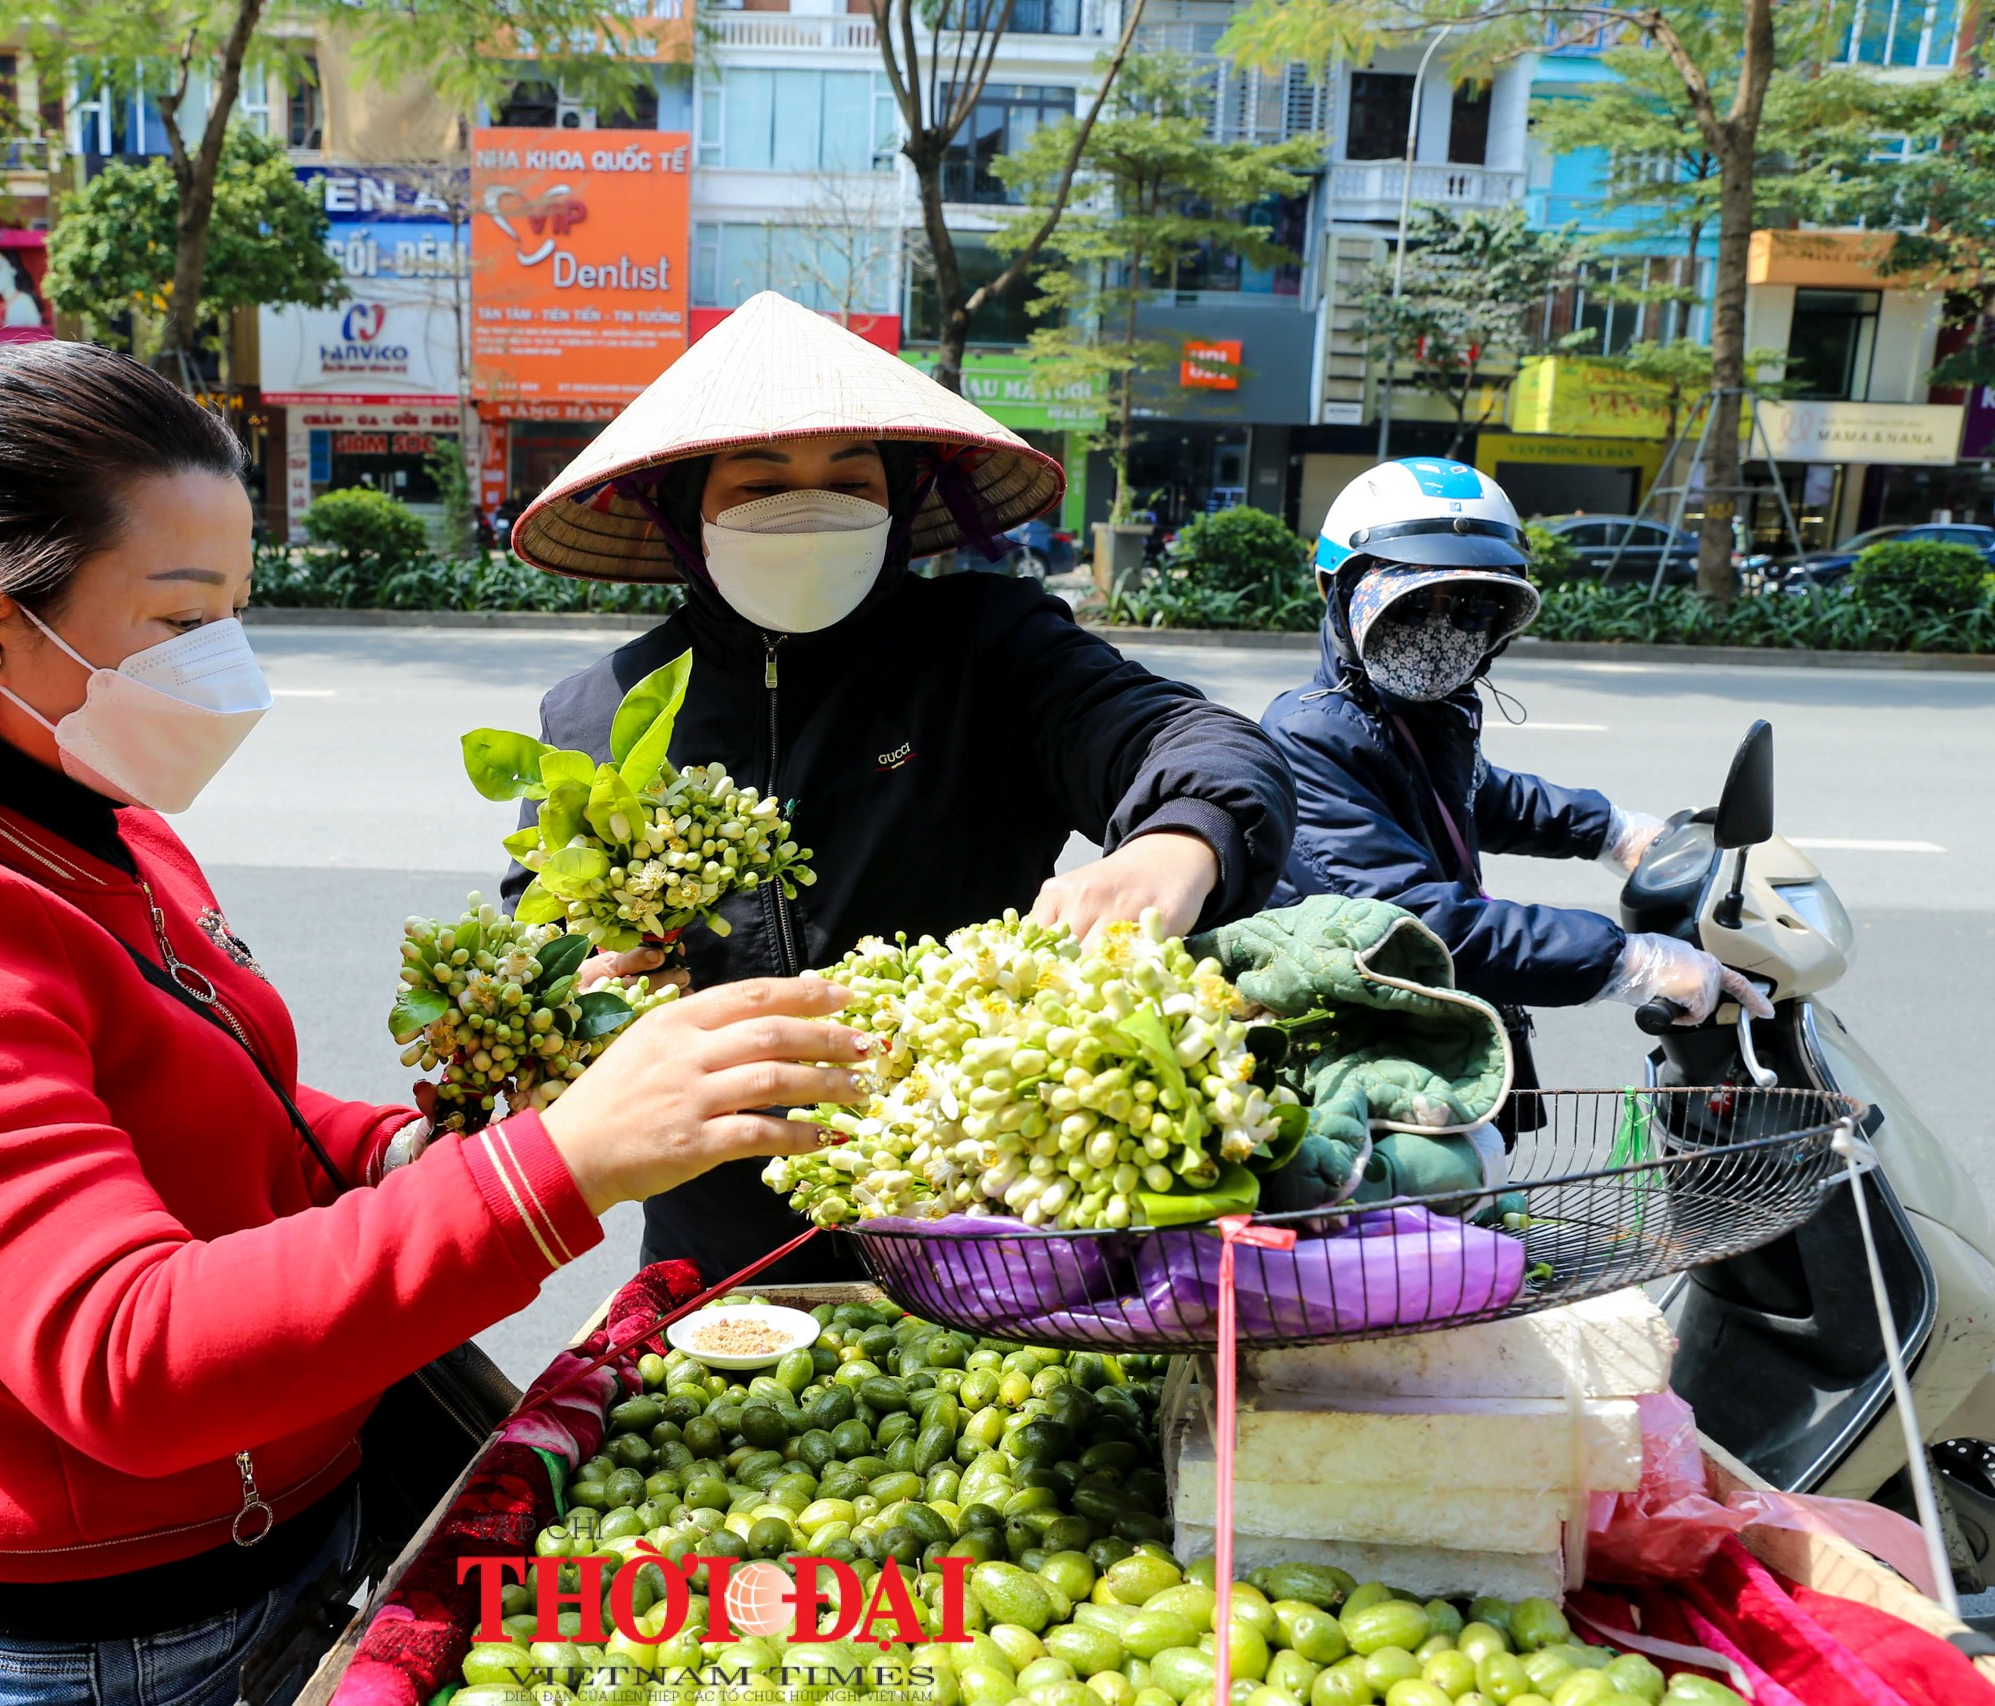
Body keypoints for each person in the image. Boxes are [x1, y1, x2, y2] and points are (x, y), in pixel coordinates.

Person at [0, 341, 869, 1706]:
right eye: (176, 621)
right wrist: (555, 1165)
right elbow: (127, 1356)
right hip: (126, 1657)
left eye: (233, 610)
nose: (226, 665)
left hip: (300, 1549)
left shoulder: (106, 838)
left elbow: (226, 1116)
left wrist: (415, 1148)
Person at [502, 292, 1295, 1284]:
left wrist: (1178, 839)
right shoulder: (597, 716)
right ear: (684, 505)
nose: (810, 505)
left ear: (900, 494)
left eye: (848, 475)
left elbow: (1194, 739)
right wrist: (576, 999)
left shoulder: (991, 649)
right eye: (759, 481)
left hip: (985, 1234)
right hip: (717, 1259)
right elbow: (537, 947)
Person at [1260, 457, 1770, 1103]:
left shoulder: (1411, 713)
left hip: (1421, 1024)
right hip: (1354, 1047)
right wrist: (1624, 961)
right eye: (1412, 605)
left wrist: (1613, 831)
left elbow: (1476, 793)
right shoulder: (1311, 735)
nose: (1441, 634)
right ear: (1337, 591)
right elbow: (1409, 925)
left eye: (1472, 609)